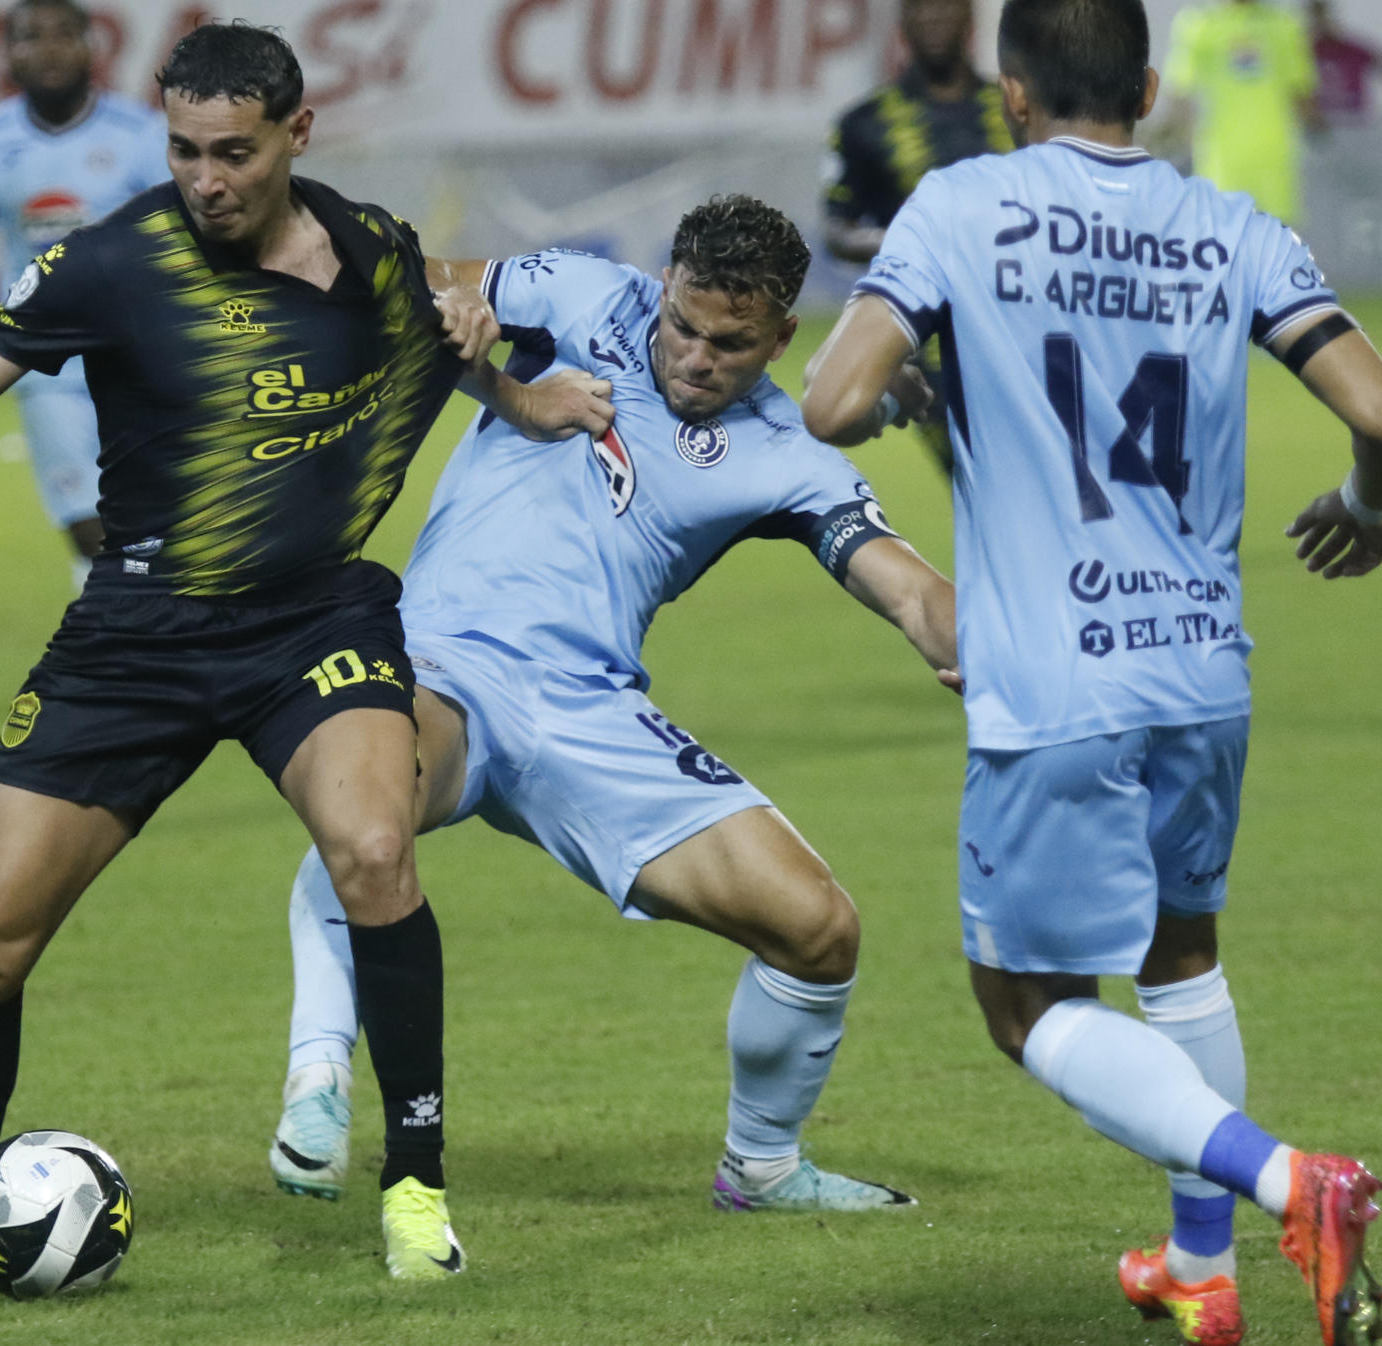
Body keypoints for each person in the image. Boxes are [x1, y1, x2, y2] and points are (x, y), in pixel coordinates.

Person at [0, 22, 609, 1286]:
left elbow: (438, 328)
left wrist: (527, 398)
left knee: (375, 850)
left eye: (231, 152)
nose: (203, 178)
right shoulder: (109, 263)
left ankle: (417, 1188)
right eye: (181, 149)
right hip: (137, 634)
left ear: (294, 136)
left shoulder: (370, 246)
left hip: (312, 620)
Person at [803, 0, 1381, 1341]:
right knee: (1182, 959)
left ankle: (1298, 1180)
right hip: (1200, 665)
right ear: (1149, 84)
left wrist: (904, 386)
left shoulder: (964, 205)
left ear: (1014, 96)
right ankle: (1201, 1266)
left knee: (1024, 1004)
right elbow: (1374, 405)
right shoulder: (1233, 225)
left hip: (1054, 677)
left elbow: (831, 402)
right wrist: (1367, 503)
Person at [262, 196, 957, 1218]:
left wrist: (983, 645)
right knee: (366, 815)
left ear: (780, 338)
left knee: (817, 928)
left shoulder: (789, 457)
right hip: (443, 660)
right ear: (663, 288)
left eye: (729, 343)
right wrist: (482, 359)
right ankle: (317, 1075)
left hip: (589, 713)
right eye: (682, 324)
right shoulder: (583, 294)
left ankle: (761, 1168)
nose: (694, 357)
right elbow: (414, 286)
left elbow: (908, 589)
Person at [0, 0, 168, 582]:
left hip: (141, 354)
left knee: (150, 520)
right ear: (7, 54)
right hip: (45, 360)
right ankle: (123, 639)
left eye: (64, 34)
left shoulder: (143, 135)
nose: (49, 48)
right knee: (87, 523)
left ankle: (126, 638)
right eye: (29, 37)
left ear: (93, 45)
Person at [822, 0, 1016, 479]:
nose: (932, 18)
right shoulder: (862, 124)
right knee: (978, 479)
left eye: (944, 8)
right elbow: (835, 229)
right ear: (902, 23)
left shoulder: (1018, 107)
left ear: (970, 18)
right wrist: (907, 239)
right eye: (918, 9)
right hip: (929, 342)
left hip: (1026, 328)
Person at [1160, 0, 1321, 223]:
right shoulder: (1198, 25)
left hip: (1274, 157)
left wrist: (1320, 136)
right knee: (1224, 238)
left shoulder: (1284, 24)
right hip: (1221, 157)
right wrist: (1174, 140)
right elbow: (1179, 91)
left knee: (1277, 239)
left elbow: (1301, 90)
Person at [1310, 0, 1378, 126]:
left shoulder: (1354, 49)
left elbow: (1376, 61)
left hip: (1354, 117)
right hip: (1322, 120)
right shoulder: (1307, 51)